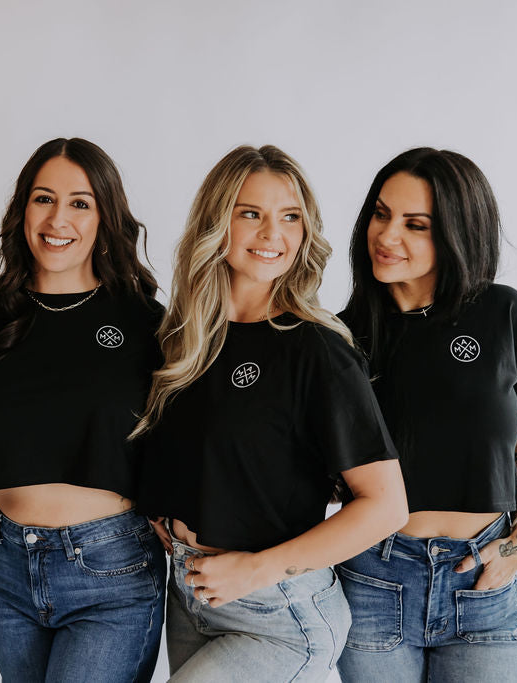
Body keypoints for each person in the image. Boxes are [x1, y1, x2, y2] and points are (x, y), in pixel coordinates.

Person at [132, 145, 409, 682]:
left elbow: (386, 506)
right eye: (250, 213)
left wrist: (255, 569)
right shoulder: (187, 339)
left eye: (290, 217)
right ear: (217, 222)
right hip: (190, 595)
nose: (271, 234)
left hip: (279, 613)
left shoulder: (317, 350)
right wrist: (164, 508)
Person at [335, 147, 517, 683]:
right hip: (373, 580)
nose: (387, 236)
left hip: (483, 582)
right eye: (381, 214)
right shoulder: (340, 338)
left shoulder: (505, 313)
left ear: (459, 232)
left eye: (416, 224)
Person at [0, 138, 166, 683]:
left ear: (105, 218)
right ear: (22, 210)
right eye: (43, 199)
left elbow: (203, 427)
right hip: (6, 566)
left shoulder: (147, 324)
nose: (58, 219)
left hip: (111, 570)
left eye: (80, 203)